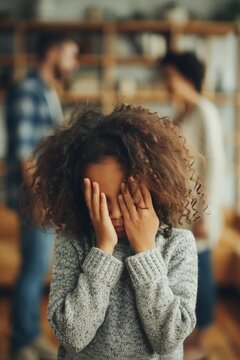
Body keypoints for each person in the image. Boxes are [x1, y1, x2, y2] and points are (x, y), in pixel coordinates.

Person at [27, 103, 201, 360]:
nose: (116, 213)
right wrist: (103, 249)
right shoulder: (73, 242)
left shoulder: (179, 244)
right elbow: (72, 336)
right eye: (101, 200)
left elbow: (169, 338)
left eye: (126, 197)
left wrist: (146, 251)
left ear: (153, 186)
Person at [6, 33, 79, 360]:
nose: (74, 63)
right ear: (52, 52)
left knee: (36, 268)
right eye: (71, 55)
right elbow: (25, 154)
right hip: (34, 198)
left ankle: (29, 335)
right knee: (33, 268)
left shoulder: (47, 91)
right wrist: (39, 200)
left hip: (44, 197)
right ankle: (22, 341)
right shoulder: (28, 91)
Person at [160, 51, 225, 360]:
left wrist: (205, 215)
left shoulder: (204, 111)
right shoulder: (183, 114)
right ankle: (187, 340)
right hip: (181, 217)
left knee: (202, 277)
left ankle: (201, 343)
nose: (165, 84)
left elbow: (214, 165)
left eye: (169, 76)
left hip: (199, 217)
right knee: (186, 276)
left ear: (186, 78)